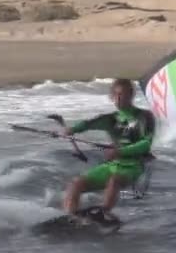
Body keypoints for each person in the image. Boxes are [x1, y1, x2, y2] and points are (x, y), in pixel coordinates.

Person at [60, 78, 155, 217]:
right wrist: (71, 130)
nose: (118, 99)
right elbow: (88, 124)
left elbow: (146, 144)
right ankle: (70, 217)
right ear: (111, 97)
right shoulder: (110, 118)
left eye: (122, 95)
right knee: (76, 183)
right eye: (115, 95)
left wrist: (119, 151)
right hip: (112, 165)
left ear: (131, 95)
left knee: (114, 180)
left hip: (134, 166)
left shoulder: (145, 117)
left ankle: (103, 214)